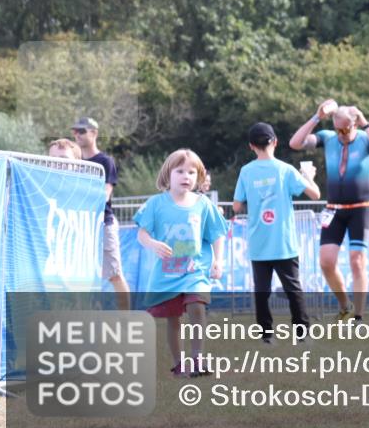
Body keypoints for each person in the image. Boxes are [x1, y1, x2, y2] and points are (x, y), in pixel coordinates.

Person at [289, 100, 369, 323]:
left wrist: (367, 124)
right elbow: (295, 143)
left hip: (360, 208)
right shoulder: (328, 138)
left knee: (357, 261)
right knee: (326, 261)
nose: (342, 134)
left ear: (354, 124)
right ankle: (345, 305)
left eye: (346, 129)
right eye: (338, 129)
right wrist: (316, 117)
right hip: (334, 209)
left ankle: (359, 317)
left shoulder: (365, 138)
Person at [135, 149, 227, 377]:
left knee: (197, 306)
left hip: (195, 270)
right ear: (168, 175)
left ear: (198, 177)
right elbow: (142, 234)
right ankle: (180, 365)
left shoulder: (203, 204)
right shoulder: (156, 203)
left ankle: (198, 359)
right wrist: (153, 244)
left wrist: (218, 260)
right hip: (166, 274)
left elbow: (217, 234)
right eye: (180, 171)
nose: (186, 176)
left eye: (191, 172)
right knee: (173, 319)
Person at [233, 123, 321, 343]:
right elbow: (315, 194)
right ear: (275, 142)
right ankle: (303, 334)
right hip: (284, 241)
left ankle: (266, 336)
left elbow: (235, 206)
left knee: (262, 291)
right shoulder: (285, 170)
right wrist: (308, 176)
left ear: (251, 146)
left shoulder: (246, 171)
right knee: (293, 289)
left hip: (258, 241)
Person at [71, 117, 130, 310]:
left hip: (103, 223)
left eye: (81, 131)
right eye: (75, 131)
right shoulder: (75, 161)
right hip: (79, 223)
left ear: (94, 133)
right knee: (80, 275)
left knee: (114, 274)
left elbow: (105, 194)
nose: (77, 135)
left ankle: (126, 317)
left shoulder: (105, 161)